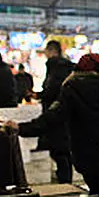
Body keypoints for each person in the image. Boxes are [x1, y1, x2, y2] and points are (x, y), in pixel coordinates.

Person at [16, 53, 99, 197]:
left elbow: (53, 117)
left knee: (94, 193)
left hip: (85, 152)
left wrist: (21, 128)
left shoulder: (73, 88)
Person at [39, 40, 75, 184]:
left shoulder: (56, 67)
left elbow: (52, 91)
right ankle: (66, 183)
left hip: (56, 115)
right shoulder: (67, 68)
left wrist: (44, 95)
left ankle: (65, 184)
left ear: (51, 51)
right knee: (63, 152)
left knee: (60, 152)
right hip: (65, 116)